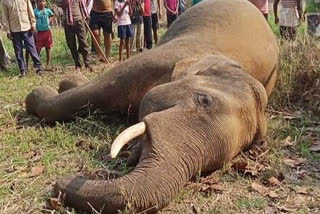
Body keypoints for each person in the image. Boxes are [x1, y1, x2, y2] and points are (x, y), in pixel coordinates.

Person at [1, 0, 43, 77]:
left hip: (26, 27)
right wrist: (7, 31)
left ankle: (38, 67)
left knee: (32, 48)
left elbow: (30, 11)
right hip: (14, 30)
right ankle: (23, 70)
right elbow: (5, 17)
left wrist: (33, 24)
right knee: (18, 51)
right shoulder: (5, 1)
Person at [59, 0, 92, 71]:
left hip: (79, 19)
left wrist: (86, 16)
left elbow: (86, 3)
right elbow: (60, 5)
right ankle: (77, 64)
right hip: (68, 21)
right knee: (71, 44)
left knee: (83, 42)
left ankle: (88, 63)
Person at [34, 0, 55, 69]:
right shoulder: (35, 11)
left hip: (47, 31)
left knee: (48, 47)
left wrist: (50, 20)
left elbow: (52, 15)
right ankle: (37, 63)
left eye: (43, 1)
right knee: (38, 48)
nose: (42, 3)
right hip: (39, 32)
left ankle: (48, 64)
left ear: (45, 2)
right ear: (37, 2)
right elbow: (32, 19)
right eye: (40, 1)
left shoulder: (47, 10)